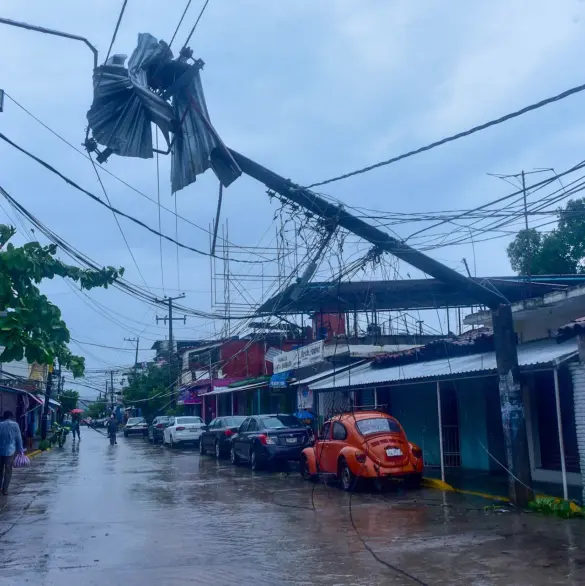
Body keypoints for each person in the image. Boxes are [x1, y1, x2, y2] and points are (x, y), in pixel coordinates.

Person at [0, 411, 24, 496]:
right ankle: (5, 489)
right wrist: (21, 449)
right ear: (11, 416)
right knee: (8, 471)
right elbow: (18, 438)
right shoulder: (15, 425)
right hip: (10, 451)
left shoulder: (0, 424)